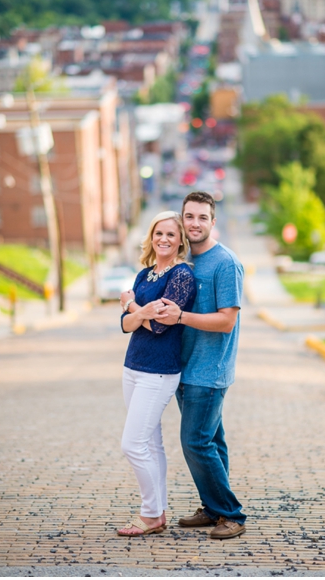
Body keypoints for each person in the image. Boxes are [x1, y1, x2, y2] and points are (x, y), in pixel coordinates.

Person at [154, 191, 247, 540]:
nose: (195, 224)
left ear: (213, 221)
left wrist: (180, 317)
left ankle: (231, 514)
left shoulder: (226, 263)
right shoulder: (186, 263)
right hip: (185, 368)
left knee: (195, 442)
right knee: (212, 441)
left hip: (210, 371)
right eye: (189, 217)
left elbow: (226, 321)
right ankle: (213, 509)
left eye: (202, 217)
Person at [116, 211, 196, 537]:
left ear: (180, 241)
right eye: (158, 233)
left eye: (170, 235)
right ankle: (158, 512)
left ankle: (150, 513)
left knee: (132, 444)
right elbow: (124, 326)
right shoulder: (144, 275)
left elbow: (161, 325)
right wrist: (138, 313)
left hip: (159, 372)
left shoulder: (182, 276)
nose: (163, 239)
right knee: (151, 443)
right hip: (132, 366)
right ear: (151, 237)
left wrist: (133, 307)